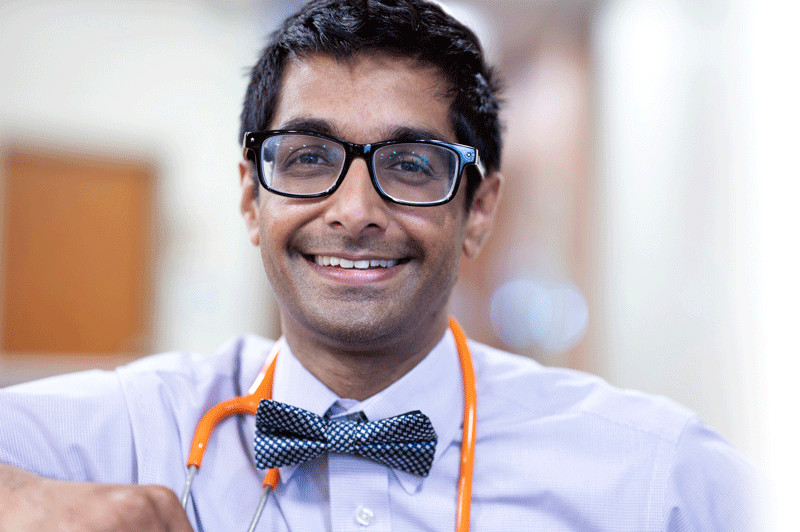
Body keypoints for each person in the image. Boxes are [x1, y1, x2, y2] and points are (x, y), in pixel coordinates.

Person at [0, 0, 763, 530]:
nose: (356, 211)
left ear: (481, 209)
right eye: (306, 158)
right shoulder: (124, 434)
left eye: (409, 163)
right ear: (249, 196)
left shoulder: (652, 473)